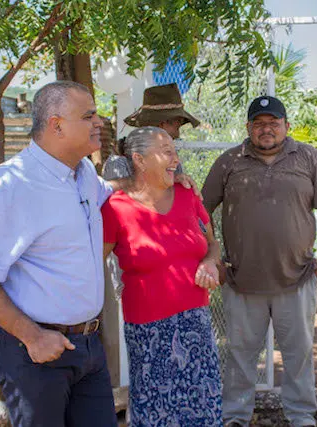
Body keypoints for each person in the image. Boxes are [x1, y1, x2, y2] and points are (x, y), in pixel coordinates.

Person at [0, 81, 118, 427]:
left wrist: (165, 178)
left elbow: (113, 195)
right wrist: (32, 336)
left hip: (87, 347)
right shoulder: (10, 184)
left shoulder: (84, 173)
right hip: (35, 353)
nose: (99, 122)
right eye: (88, 115)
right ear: (56, 125)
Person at [202, 95, 317, 427]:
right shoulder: (229, 161)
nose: (266, 129)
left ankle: (301, 417)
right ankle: (235, 416)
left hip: (296, 279)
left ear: (286, 126)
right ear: (249, 127)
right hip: (241, 281)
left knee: (298, 356)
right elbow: (199, 211)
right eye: (259, 123)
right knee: (240, 356)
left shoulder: (307, 157)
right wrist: (213, 257)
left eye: (273, 123)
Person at [101, 127, 223, 426]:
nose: (175, 158)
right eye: (166, 151)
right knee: (157, 410)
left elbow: (213, 244)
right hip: (149, 331)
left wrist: (210, 263)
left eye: (174, 150)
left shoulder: (186, 194)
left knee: (202, 406)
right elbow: (93, 260)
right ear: (140, 160)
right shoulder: (115, 208)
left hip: (196, 323)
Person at [103, 82, 199, 179]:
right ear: (161, 124)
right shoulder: (119, 163)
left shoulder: (173, 163)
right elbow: (121, 193)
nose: (178, 134)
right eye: (178, 122)